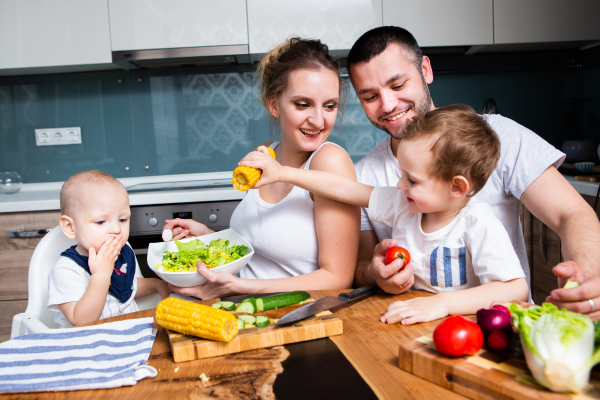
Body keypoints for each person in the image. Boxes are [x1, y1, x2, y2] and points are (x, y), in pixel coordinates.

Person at [346, 26, 600, 312]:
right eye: (370, 97)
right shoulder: (364, 173)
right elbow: (361, 267)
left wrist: (588, 275)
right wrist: (375, 274)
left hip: (503, 326)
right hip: (414, 329)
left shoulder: (498, 135)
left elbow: (572, 213)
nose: (388, 105)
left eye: (398, 85)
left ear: (425, 70)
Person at [240, 104, 529, 324]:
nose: (400, 184)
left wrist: (443, 304)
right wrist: (285, 173)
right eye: (402, 174)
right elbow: (345, 189)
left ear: (456, 187)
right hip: (415, 323)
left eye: (412, 180)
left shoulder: (477, 223)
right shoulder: (404, 205)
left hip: (464, 328)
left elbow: (515, 289)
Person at [162, 38, 360, 299]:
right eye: (303, 104)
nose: (318, 120)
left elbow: (337, 278)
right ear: (274, 105)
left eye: (330, 105)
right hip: (242, 313)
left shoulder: (329, 162)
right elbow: (261, 252)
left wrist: (237, 287)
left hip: (293, 318)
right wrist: (209, 237)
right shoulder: (267, 152)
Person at [47, 171, 170, 328]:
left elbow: (124, 288)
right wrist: (101, 274)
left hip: (128, 336)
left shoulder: (121, 253)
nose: (116, 229)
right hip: (87, 346)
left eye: (122, 219)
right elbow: (81, 321)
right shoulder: (67, 270)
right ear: (71, 227)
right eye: (100, 222)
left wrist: (156, 285)